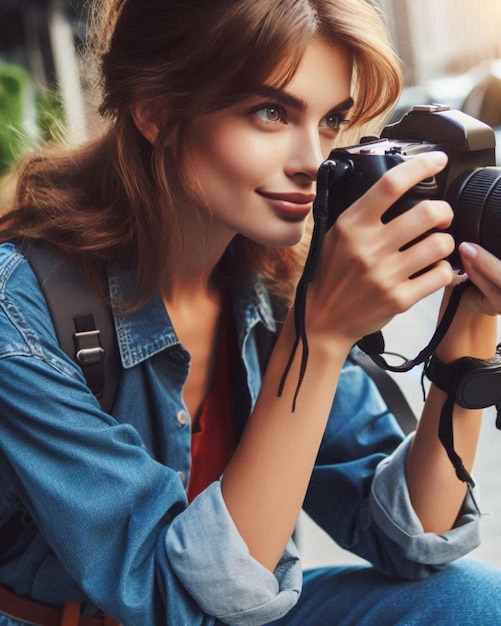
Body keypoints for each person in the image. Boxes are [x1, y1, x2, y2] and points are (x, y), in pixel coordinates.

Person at [0, 0, 501, 624]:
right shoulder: (18, 321)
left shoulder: (269, 286)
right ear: (156, 110)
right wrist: (317, 338)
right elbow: (176, 604)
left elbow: (412, 537)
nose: (313, 161)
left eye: (331, 120)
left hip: (234, 608)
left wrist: (472, 315)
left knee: (474, 601)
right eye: (270, 112)